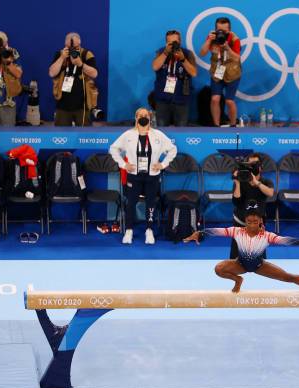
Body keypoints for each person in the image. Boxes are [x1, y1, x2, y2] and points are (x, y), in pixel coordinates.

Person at [184, 208, 299, 293]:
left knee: (289, 277)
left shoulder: (268, 236)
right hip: (240, 264)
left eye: (255, 222)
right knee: (219, 269)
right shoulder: (237, 231)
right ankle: (237, 280)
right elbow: (215, 231)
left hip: (260, 266)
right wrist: (200, 233)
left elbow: (285, 240)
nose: (251, 225)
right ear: (245, 221)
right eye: (249, 222)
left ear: (260, 221)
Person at [109, 107, 177, 244]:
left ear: (150, 118)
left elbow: (173, 149)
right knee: (131, 203)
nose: (143, 117)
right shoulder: (128, 135)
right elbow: (113, 149)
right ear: (136, 118)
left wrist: (163, 165)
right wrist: (123, 164)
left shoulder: (158, 135)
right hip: (134, 175)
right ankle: (128, 231)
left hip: (152, 175)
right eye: (140, 115)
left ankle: (149, 231)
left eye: (146, 115)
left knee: (151, 203)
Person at [48, 32, 98, 126]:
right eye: (70, 48)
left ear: (80, 43)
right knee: (61, 133)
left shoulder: (86, 54)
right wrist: (62, 58)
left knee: (84, 135)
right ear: (65, 44)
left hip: (82, 105)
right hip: (62, 104)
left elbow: (94, 74)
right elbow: (51, 73)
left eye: (75, 48)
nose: (73, 50)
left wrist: (81, 64)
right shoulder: (60, 54)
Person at [199, 17, 242, 127]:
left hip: (232, 74)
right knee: (214, 99)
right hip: (217, 73)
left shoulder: (234, 39)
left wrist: (227, 48)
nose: (221, 32)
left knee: (229, 101)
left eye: (224, 30)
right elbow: (202, 53)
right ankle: (216, 126)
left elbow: (237, 58)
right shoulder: (212, 37)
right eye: (219, 30)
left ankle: (233, 125)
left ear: (229, 30)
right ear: (216, 29)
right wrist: (209, 40)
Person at [230, 153, 275, 258]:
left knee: (260, 261)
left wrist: (256, 182)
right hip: (240, 222)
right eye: (250, 164)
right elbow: (236, 201)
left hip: (257, 224)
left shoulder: (266, 182)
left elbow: (270, 193)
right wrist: (237, 182)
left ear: (261, 167)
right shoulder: (241, 181)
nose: (252, 166)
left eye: (255, 164)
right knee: (235, 259)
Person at [151, 30, 197, 126]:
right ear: (166, 43)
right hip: (162, 98)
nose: (173, 45)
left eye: (175, 42)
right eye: (170, 43)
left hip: (181, 98)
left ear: (180, 42)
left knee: (181, 130)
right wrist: (165, 53)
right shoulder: (161, 52)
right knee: (162, 130)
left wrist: (183, 59)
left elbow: (194, 73)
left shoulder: (187, 54)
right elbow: (155, 67)